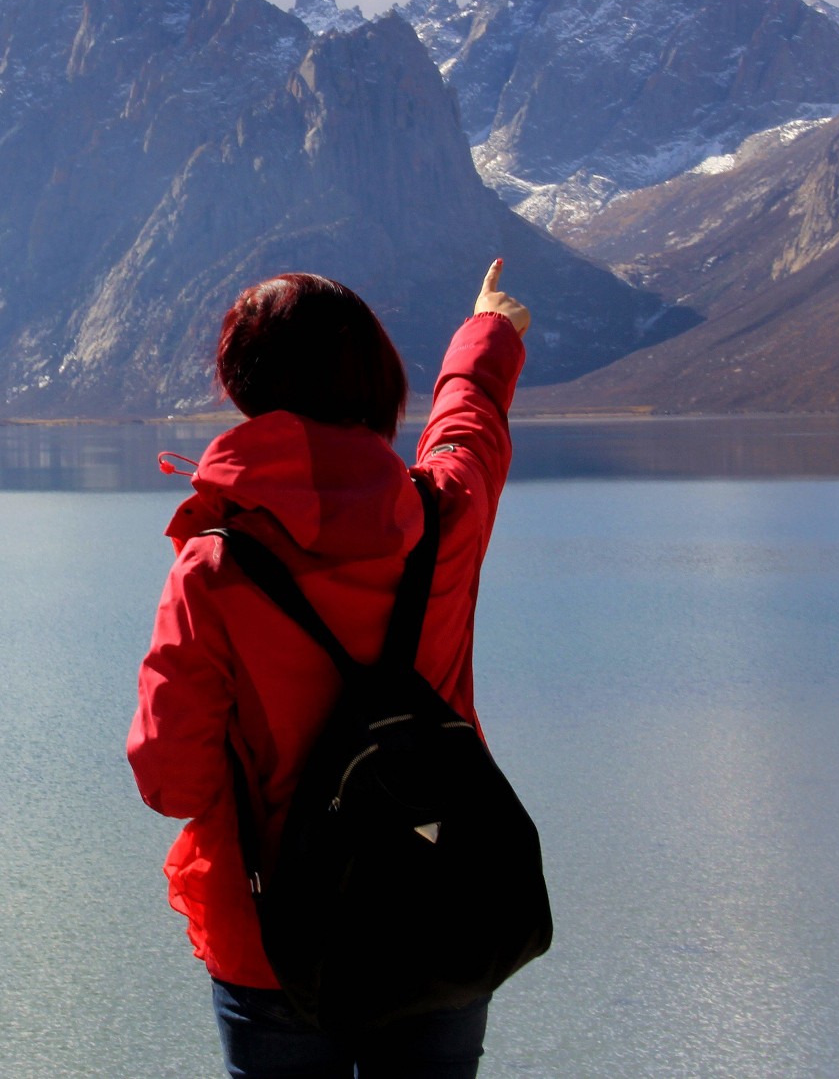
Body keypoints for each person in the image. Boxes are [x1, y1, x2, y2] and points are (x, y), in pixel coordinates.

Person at [127, 261, 531, 1079]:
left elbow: (169, 777)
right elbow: (467, 432)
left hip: (274, 934)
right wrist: (486, 333)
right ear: (375, 378)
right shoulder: (442, 515)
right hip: (440, 902)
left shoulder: (214, 566)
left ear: (245, 385)